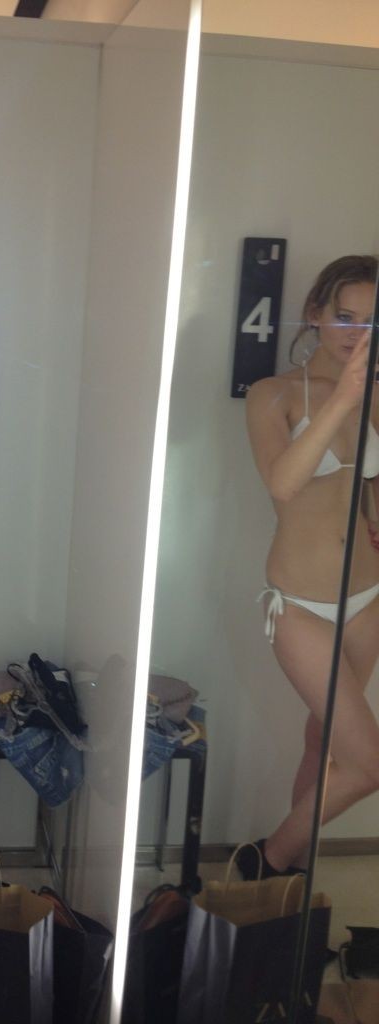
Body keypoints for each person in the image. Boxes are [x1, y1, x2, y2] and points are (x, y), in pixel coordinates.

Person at [244, 254, 379, 879]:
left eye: (372, 323)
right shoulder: (272, 395)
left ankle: (292, 884)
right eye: (346, 317)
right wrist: (345, 396)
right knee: (368, 765)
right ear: (315, 313)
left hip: (368, 595)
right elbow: (283, 483)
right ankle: (267, 864)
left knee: (324, 743)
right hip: (300, 604)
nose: (357, 334)